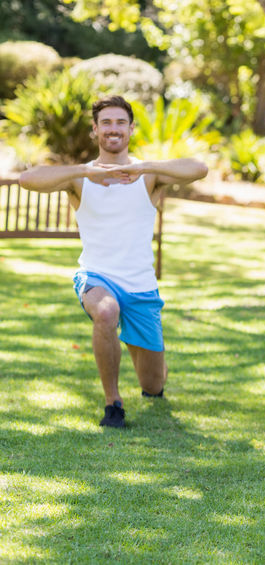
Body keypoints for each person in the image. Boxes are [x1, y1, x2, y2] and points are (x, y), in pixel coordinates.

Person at [19, 94, 208, 428]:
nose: (113, 129)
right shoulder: (80, 178)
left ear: (131, 129)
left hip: (141, 287)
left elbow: (199, 169)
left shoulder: (148, 177)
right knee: (106, 311)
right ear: (95, 130)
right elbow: (27, 180)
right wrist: (85, 170)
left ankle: (144, 355)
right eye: (105, 122)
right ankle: (113, 404)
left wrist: (143, 167)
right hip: (97, 277)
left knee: (153, 385)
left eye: (121, 122)